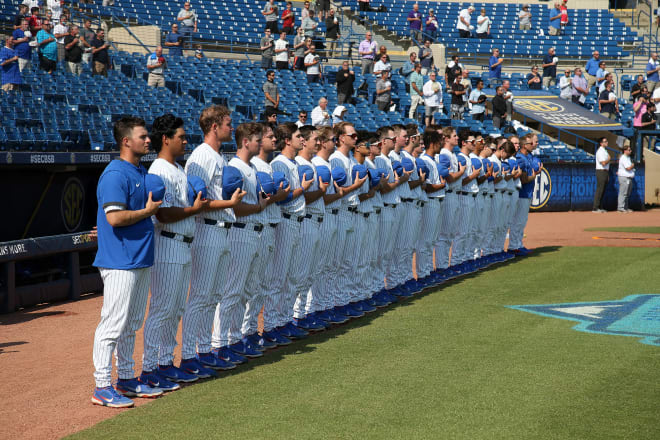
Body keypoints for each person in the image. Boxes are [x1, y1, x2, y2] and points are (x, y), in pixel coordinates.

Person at [91, 116, 163, 408]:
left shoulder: (138, 169)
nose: (148, 140)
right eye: (143, 136)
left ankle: (127, 379)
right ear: (126, 141)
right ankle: (101, 385)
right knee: (112, 325)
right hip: (120, 259)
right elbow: (115, 218)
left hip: (140, 257)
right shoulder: (115, 174)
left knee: (131, 323)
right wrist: (147, 212)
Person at [141, 114, 213, 386]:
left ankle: (165, 362)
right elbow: (163, 214)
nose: (185, 141)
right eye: (181, 137)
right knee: (162, 309)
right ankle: (150, 369)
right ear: (165, 139)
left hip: (183, 243)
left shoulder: (178, 168)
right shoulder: (159, 169)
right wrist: (195, 209)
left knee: (175, 309)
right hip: (168, 243)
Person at [173, 105, 244, 373]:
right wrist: (230, 201)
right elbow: (198, 201)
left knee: (213, 295)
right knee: (201, 296)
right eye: (227, 123)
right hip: (207, 229)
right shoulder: (201, 156)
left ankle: (204, 350)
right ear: (214, 126)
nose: (231, 127)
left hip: (223, 229)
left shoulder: (218, 155)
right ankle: (190, 355)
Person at [212, 122, 272, 360]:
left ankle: (236, 338)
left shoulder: (250, 167)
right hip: (239, 231)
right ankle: (220, 342)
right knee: (232, 291)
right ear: (245, 141)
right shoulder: (234, 167)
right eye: (257, 139)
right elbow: (234, 208)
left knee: (247, 290)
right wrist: (258, 206)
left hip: (254, 232)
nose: (260, 143)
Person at [510, 133, 541, 254]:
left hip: (527, 193)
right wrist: (534, 176)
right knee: (517, 221)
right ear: (524, 145)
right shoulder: (520, 158)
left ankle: (518, 244)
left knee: (521, 222)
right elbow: (523, 179)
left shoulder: (528, 156)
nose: (533, 144)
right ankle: (514, 246)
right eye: (530, 143)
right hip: (522, 193)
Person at [592, 136, 610, 213]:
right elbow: (603, 163)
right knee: (600, 190)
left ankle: (600, 206)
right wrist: (609, 159)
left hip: (605, 171)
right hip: (601, 171)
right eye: (605, 141)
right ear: (601, 143)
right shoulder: (600, 151)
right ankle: (595, 208)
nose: (607, 142)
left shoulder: (604, 151)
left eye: (606, 141)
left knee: (603, 190)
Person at [616, 145, 635, 213]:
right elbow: (628, 168)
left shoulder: (628, 158)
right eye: (629, 150)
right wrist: (632, 165)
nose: (630, 151)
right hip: (624, 177)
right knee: (623, 193)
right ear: (625, 151)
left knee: (627, 193)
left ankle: (625, 207)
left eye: (630, 150)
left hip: (628, 177)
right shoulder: (623, 158)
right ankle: (620, 208)